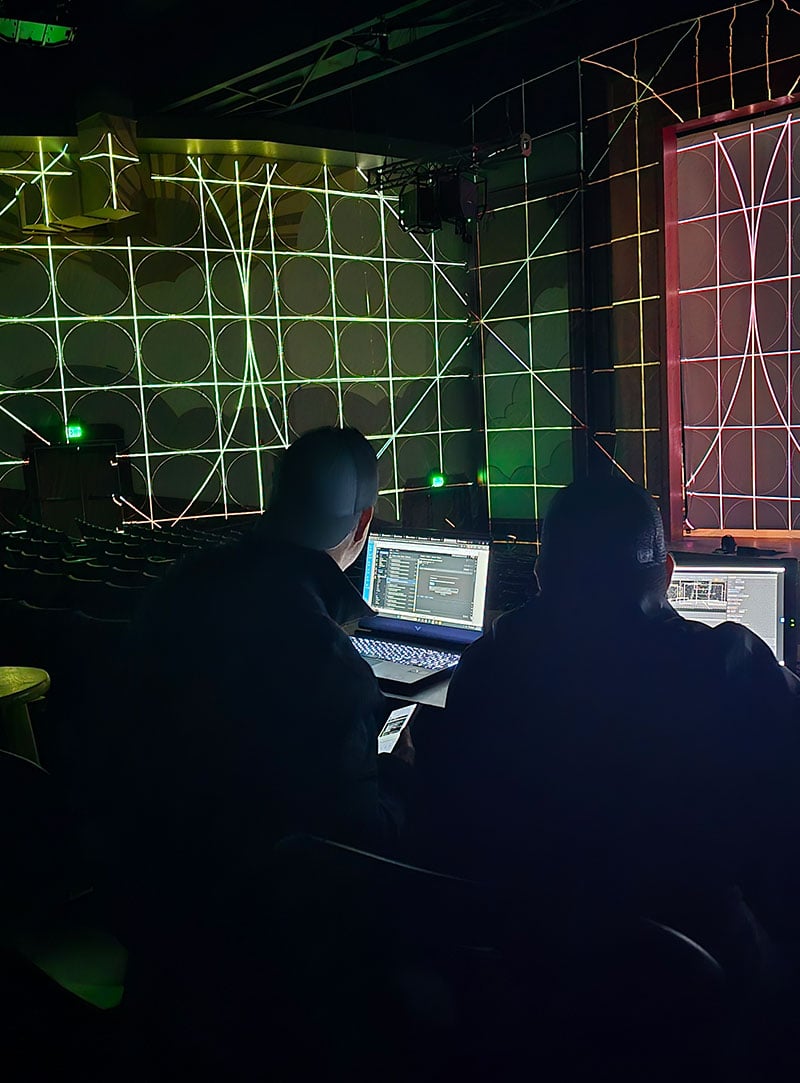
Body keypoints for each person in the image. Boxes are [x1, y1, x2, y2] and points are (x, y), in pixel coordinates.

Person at [96, 427, 413, 1075]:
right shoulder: (327, 661)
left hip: (149, 920)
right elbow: (354, 845)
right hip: (261, 972)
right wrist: (403, 779)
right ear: (364, 522)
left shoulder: (179, 586)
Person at [407, 475, 800, 989]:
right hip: (695, 963)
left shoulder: (489, 661)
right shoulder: (727, 665)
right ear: (667, 571)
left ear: (541, 572)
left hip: (529, 964)